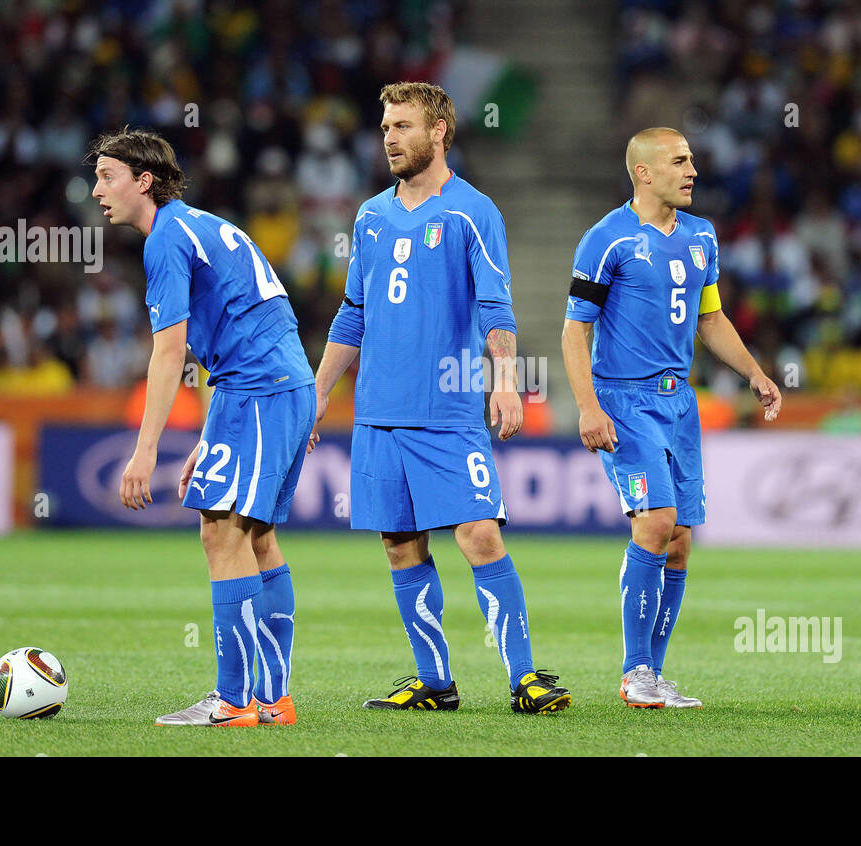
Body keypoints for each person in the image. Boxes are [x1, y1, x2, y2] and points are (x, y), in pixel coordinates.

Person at [309, 82, 570, 714]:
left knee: (479, 533)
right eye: (386, 126)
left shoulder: (472, 212)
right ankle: (435, 680)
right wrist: (316, 398)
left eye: (402, 126)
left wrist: (504, 381)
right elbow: (353, 314)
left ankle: (525, 678)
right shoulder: (370, 215)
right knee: (400, 545)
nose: (389, 137)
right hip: (378, 415)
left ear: (439, 131)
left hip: (447, 412)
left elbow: (495, 307)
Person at [89, 127, 315, 727]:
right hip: (273, 387)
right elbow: (255, 321)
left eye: (107, 177)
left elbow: (170, 354)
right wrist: (222, 432)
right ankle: (274, 700)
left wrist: (144, 452)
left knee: (222, 534)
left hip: (261, 392)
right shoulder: (207, 226)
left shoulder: (166, 240)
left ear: (144, 181)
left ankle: (235, 700)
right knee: (256, 536)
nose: (96, 190)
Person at [561, 127, 782, 709]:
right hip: (624, 403)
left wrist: (754, 373)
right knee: (656, 524)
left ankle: (652, 676)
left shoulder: (702, 237)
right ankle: (635, 671)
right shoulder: (606, 240)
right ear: (644, 172)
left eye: (693, 161)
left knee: (680, 542)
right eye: (679, 161)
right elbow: (575, 330)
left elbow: (710, 319)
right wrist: (588, 405)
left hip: (678, 403)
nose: (692, 171)